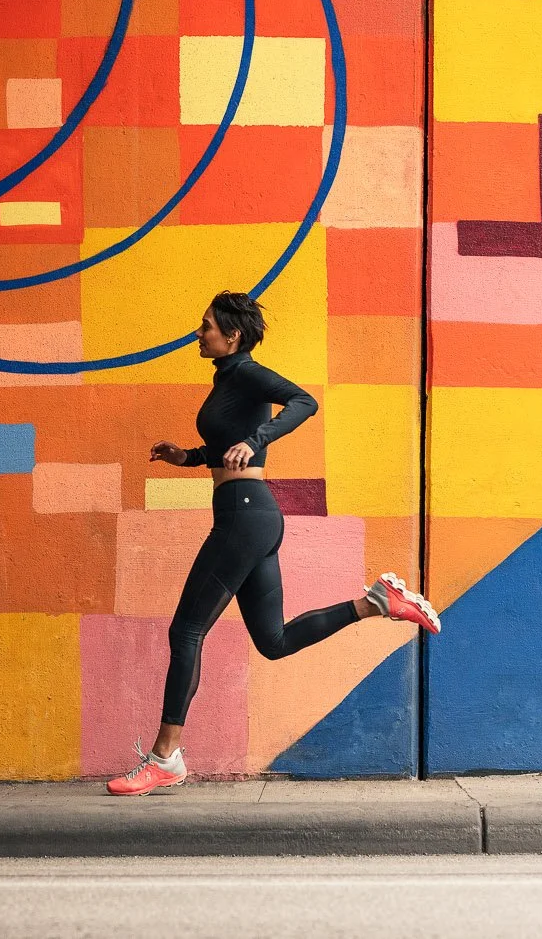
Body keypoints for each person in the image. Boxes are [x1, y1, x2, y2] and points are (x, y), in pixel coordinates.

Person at [106, 290, 441, 797]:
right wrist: (190, 457)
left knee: (186, 631)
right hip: (252, 516)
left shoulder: (244, 372)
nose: (199, 335)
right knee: (273, 642)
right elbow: (228, 444)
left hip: (244, 518)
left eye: (206, 327)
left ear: (231, 335)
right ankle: (376, 602)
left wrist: (258, 439)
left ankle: (164, 758)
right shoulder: (228, 380)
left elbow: (304, 401)